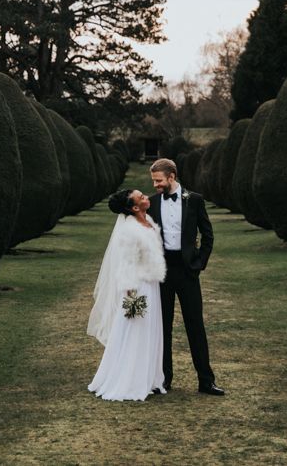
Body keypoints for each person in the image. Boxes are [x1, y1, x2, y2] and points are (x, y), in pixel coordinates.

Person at [148, 158, 225, 395]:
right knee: (163, 327)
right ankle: (163, 380)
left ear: (172, 177)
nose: (156, 185)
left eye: (159, 181)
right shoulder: (150, 203)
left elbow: (208, 235)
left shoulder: (195, 200)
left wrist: (199, 262)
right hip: (162, 271)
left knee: (195, 325)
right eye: (153, 181)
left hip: (187, 270)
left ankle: (206, 380)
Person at [87, 188, 167, 401]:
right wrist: (131, 295)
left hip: (151, 283)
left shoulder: (148, 220)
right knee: (135, 329)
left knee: (150, 329)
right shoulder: (130, 230)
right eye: (141, 197)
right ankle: (128, 380)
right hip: (137, 285)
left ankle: (149, 377)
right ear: (134, 207)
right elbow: (126, 263)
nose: (146, 197)